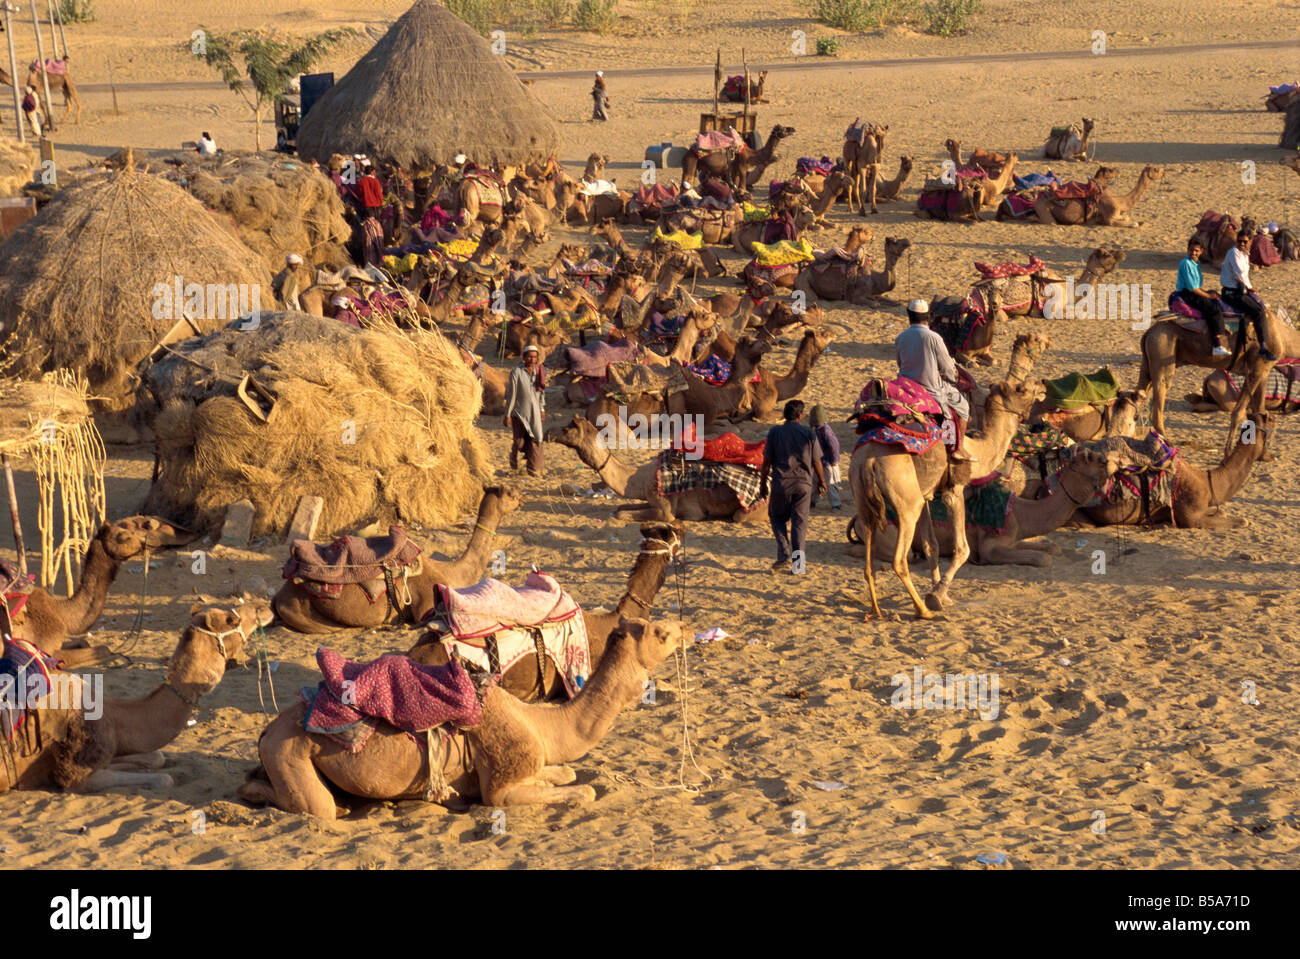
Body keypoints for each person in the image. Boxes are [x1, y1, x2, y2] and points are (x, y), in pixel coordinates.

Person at [895, 298, 972, 460]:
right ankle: (958, 447)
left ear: (909, 315)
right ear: (928, 316)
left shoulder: (900, 338)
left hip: (905, 386)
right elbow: (947, 368)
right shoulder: (934, 338)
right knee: (963, 406)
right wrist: (953, 376)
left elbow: (900, 363)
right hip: (931, 389)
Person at [760, 400, 826, 572]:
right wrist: (822, 481)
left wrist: (762, 484)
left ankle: (783, 554)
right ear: (800, 415)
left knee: (776, 518)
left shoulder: (775, 432)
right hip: (804, 484)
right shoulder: (808, 433)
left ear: (784, 415)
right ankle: (798, 565)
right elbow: (817, 461)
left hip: (781, 482)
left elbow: (766, 462)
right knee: (799, 524)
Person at [1221, 229, 1277, 361]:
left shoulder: (1245, 254)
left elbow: (1245, 275)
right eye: (1239, 241)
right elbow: (1240, 274)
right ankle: (1263, 347)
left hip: (1240, 289)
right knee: (1258, 312)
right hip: (1232, 293)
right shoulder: (1234, 253)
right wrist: (1250, 288)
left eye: (1244, 241)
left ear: (1250, 242)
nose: (1241, 244)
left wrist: (1250, 288)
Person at [1176, 238, 1230, 357]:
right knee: (1214, 310)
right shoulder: (1186, 264)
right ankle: (1217, 344)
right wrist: (1208, 295)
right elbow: (1193, 288)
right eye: (1191, 250)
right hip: (1188, 294)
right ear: (1187, 250)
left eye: (1196, 251)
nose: (1193, 253)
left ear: (1201, 251)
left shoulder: (1196, 263)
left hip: (1193, 292)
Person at [505, 344, 546, 476]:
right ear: (524, 357)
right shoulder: (516, 372)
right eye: (529, 357)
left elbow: (541, 392)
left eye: (534, 357)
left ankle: (533, 469)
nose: (532, 359)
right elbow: (512, 394)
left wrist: (542, 409)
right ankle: (513, 458)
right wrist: (507, 414)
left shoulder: (540, 372)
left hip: (535, 413)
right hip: (519, 413)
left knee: (537, 438)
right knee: (519, 442)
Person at [809, 404, 842, 509]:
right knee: (814, 483)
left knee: (831, 484)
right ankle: (811, 502)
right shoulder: (818, 430)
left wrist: (835, 460)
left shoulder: (825, 430)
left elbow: (834, 445)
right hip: (819, 462)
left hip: (828, 463)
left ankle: (836, 505)